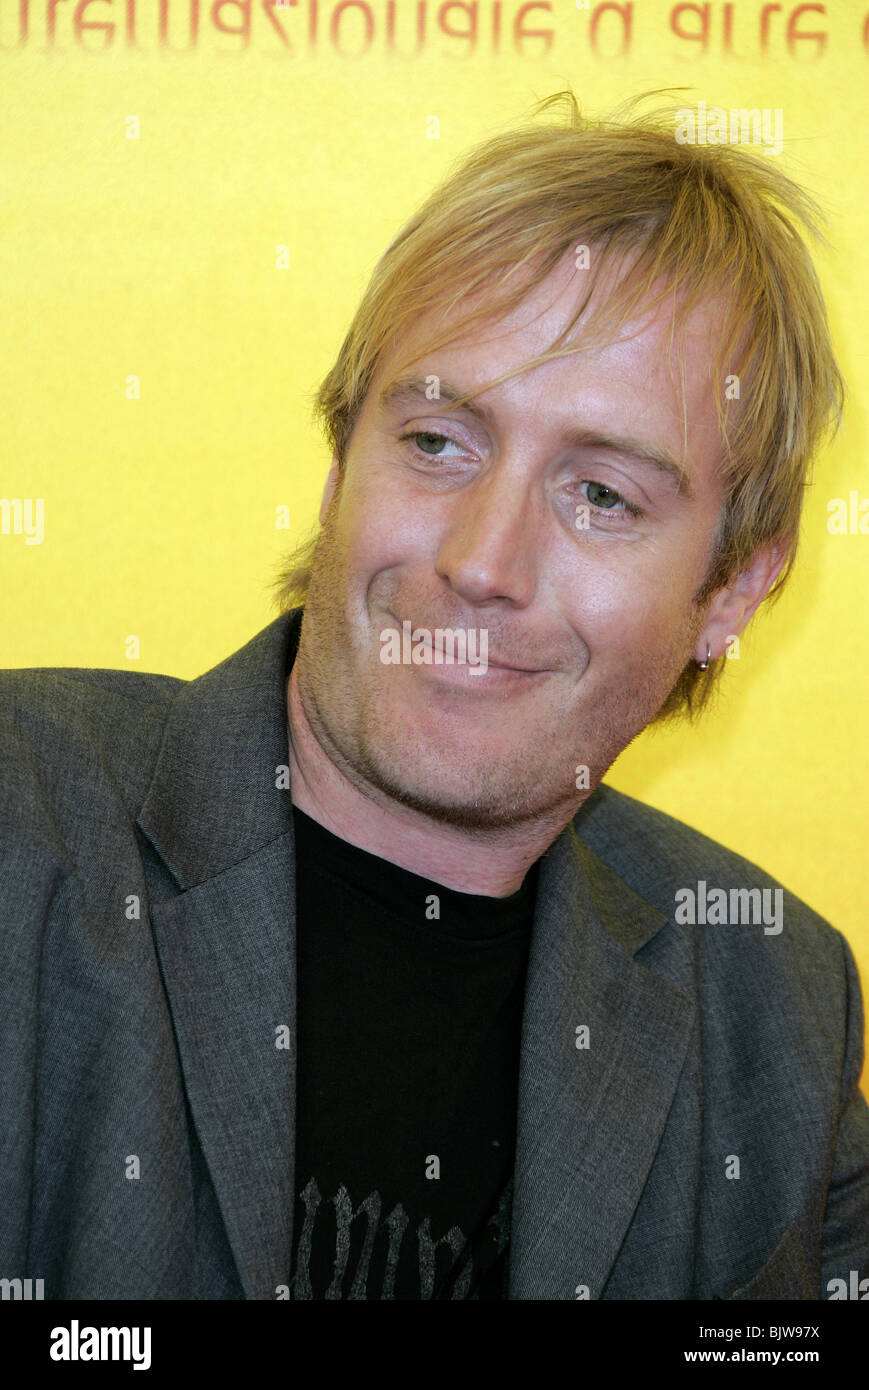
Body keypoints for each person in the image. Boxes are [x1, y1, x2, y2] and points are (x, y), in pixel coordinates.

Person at [1, 91, 867, 1301]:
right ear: (337, 465)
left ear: (731, 589)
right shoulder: (21, 823)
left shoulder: (772, 1005)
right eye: (438, 443)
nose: (481, 561)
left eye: (601, 496)